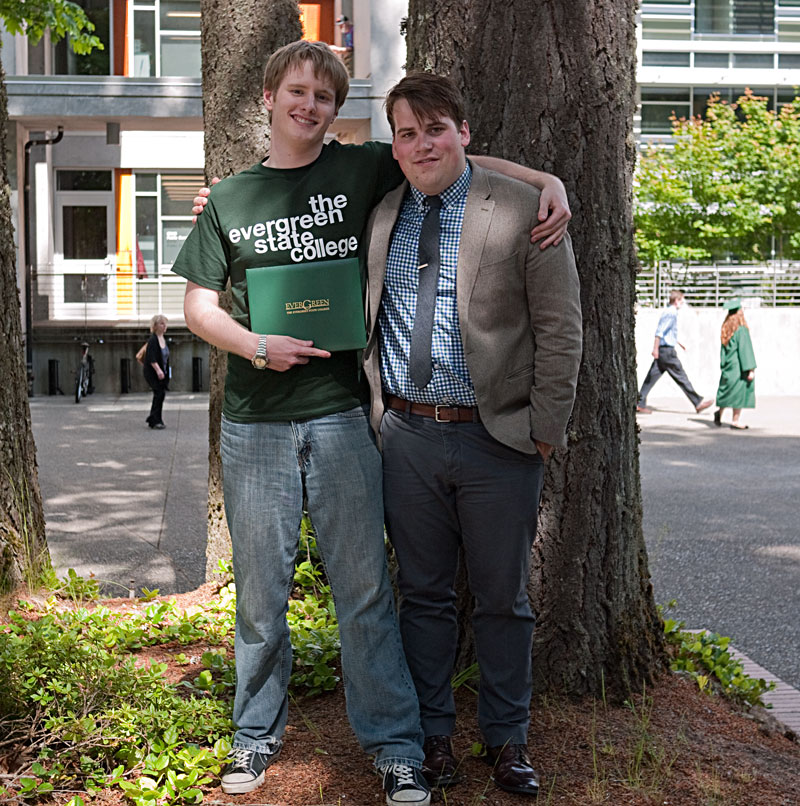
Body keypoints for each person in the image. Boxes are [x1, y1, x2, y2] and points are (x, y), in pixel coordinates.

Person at [176, 40, 571, 806]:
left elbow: (453, 157)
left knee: (367, 594)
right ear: (268, 97)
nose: (309, 106)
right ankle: (253, 738)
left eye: (323, 97)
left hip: (343, 420)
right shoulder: (231, 199)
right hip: (259, 425)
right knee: (261, 598)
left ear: (336, 110)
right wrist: (256, 344)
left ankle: (396, 748)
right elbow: (197, 306)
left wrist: (549, 179)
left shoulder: (364, 170)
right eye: (296, 92)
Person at [362, 73, 583, 797]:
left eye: (435, 128)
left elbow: (560, 329)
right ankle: (431, 739)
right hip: (407, 438)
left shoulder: (523, 209)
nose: (422, 143)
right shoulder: (381, 212)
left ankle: (507, 739)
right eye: (407, 132)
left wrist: (541, 432)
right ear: (393, 145)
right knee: (421, 596)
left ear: (462, 131)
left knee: (503, 599)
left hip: (499, 442)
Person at [636, 289, 713, 414]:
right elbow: (660, 332)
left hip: (664, 350)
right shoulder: (671, 312)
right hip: (667, 352)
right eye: (681, 301)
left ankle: (639, 402)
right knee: (681, 376)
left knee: (651, 378)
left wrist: (678, 343)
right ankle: (698, 402)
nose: (682, 304)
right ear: (676, 300)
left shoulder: (668, 311)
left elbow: (668, 332)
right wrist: (655, 348)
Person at [713, 298, 756, 430]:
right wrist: (750, 369)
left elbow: (723, 353)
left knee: (727, 391)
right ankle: (735, 421)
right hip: (738, 367)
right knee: (739, 393)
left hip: (728, 366)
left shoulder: (726, 330)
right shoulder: (741, 330)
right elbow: (745, 350)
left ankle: (719, 412)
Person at [143, 314, 169, 429]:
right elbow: (151, 358)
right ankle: (155, 419)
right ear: (155, 326)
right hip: (153, 372)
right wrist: (158, 371)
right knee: (159, 394)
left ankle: (154, 418)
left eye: (165, 323)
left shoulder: (164, 339)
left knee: (160, 395)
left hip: (163, 372)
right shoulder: (153, 340)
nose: (164, 326)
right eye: (162, 323)